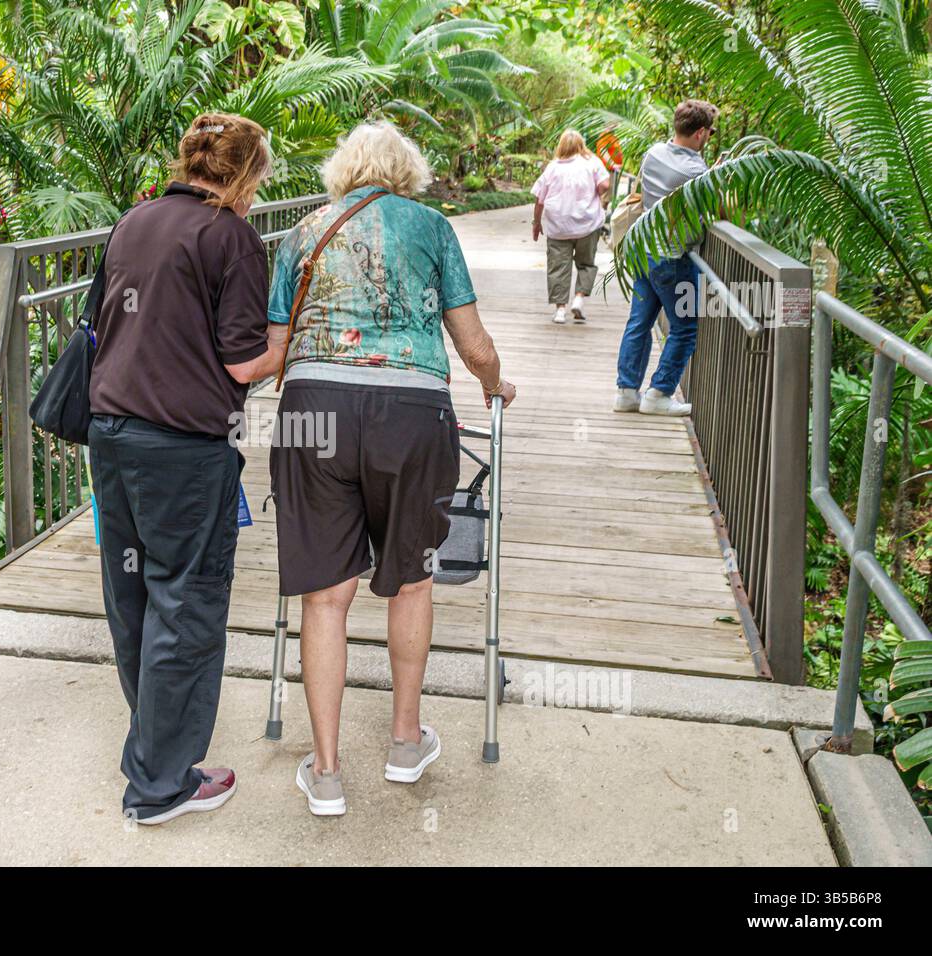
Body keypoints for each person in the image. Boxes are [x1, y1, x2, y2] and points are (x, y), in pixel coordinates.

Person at [266, 122, 516, 817]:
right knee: (410, 582)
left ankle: (325, 772)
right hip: (412, 413)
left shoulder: (300, 232)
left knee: (325, 595)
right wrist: (495, 382)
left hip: (314, 409)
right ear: (410, 171)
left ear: (341, 169)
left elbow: (277, 346)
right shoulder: (432, 227)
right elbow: (472, 342)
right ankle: (406, 742)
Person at [87, 113, 286, 825]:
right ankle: (162, 785)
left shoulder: (134, 220)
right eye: (260, 178)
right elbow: (243, 361)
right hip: (182, 449)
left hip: (111, 436)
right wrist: (291, 342)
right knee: (188, 603)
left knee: (134, 598)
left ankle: (152, 748)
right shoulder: (228, 236)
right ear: (244, 174)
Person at [614, 99, 720, 416]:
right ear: (701, 133)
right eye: (711, 132)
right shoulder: (696, 170)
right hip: (672, 257)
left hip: (642, 248)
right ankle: (659, 393)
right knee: (684, 328)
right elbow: (709, 211)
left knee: (639, 322)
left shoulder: (653, 154)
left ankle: (627, 392)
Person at [531, 130, 611, 324]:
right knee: (586, 264)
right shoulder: (591, 162)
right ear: (581, 145)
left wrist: (536, 223)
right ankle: (579, 299)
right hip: (587, 225)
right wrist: (597, 192)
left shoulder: (552, 167)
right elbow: (605, 185)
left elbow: (539, 200)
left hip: (558, 227)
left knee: (558, 268)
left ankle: (560, 311)